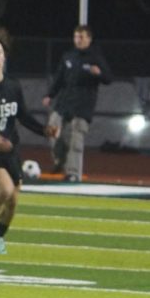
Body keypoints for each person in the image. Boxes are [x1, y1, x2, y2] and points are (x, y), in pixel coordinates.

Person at [0, 26, 59, 255]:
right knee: (5, 190)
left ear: (4, 56)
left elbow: (22, 115)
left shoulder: (12, 86)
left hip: (11, 150)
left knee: (13, 201)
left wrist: (43, 130)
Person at [41, 24, 112, 182]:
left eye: (81, 37)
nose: (78, 40)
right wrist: (50, 95)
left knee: (75, 140)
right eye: (76, 37)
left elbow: (108, 78)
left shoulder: (95, 57)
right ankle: (60, 160)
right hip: (63, 103)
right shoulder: (68, 56)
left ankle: (73, 173)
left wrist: (99, 73)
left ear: (89, 39)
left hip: (82, 106)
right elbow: (59, 78)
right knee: (52, 131)